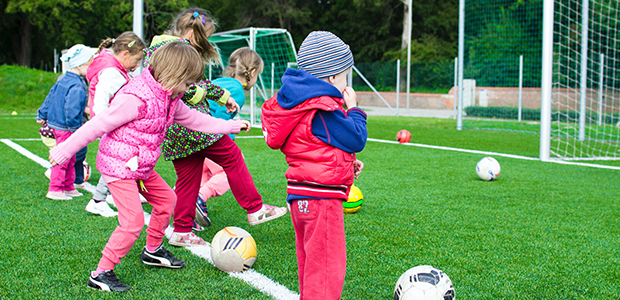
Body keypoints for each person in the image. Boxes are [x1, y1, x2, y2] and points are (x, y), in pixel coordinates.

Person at [49, 41, 250, 292]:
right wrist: (64, 150)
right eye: (188, 84)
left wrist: (230, 126)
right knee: (132, 221)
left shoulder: (170, 97)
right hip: (119, 167)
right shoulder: (135, 98)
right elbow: (97, 125)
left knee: (168, 200)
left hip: (140, 166)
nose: (190, 89)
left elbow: (195, 120)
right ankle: (101, 273)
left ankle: (152, 250)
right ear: (174, 75)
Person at [144, 8, 286, 248]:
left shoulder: (160, 48)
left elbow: (199, 82)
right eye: (204, 37)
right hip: (192, 126)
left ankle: (181, 230)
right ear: (191, 32)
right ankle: (255, 208)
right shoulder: (175, 51)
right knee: (232, 156)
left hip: (174, 132)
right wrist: (204, 98)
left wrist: (223, 97)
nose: (205, 43)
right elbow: (184, 88)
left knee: (189, 178)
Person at [261, 31, 368, 300]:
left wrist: (347, 165)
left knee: (312, 263)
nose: (345, 83)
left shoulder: (298, 103)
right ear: (331, 76)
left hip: (301, 196)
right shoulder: (321, 108)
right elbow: (356, 138)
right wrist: (354, 108)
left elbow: (315, 146)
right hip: (321, 199)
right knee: (327, 269)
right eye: (344, 75)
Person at [194, 47, 264, 228]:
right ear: (253, 72)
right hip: (209, 137)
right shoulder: (238, 92)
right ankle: (200, 198)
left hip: (193, 135)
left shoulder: (219, 82)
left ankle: (185, 206)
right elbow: (219, 118)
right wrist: (229, 136)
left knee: (200, 175)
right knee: (228, 171)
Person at [83, 31, 146, 218]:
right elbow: (101, 101)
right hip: (112, 126)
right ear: (125, 54)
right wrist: (106, 123)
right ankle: (98, 200)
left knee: (122, 161)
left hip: (113, 125)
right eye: (136, 60)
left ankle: (105, 197)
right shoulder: (113, 73)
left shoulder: (113, 67)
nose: (136, 66)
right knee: (118, 162)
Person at [37, 44, 96, 200]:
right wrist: (76, 129)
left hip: (58, 125)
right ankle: (55, 188)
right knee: (64, 158)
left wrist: (42, 113)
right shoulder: (77, 85)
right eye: (90, 64)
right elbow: (72, 109)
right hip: (67, 127)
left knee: (70, 157)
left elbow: (50, 96)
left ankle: (68, 186)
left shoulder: (63, 79)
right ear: (82, 64)